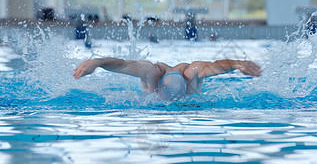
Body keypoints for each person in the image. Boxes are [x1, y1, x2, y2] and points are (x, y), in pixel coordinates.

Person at [73, 58, 262, 100]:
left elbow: (212, 66)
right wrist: (97, 62)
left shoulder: (191, 73)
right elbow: (122, 64)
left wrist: (235, 64)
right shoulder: (151, 73)